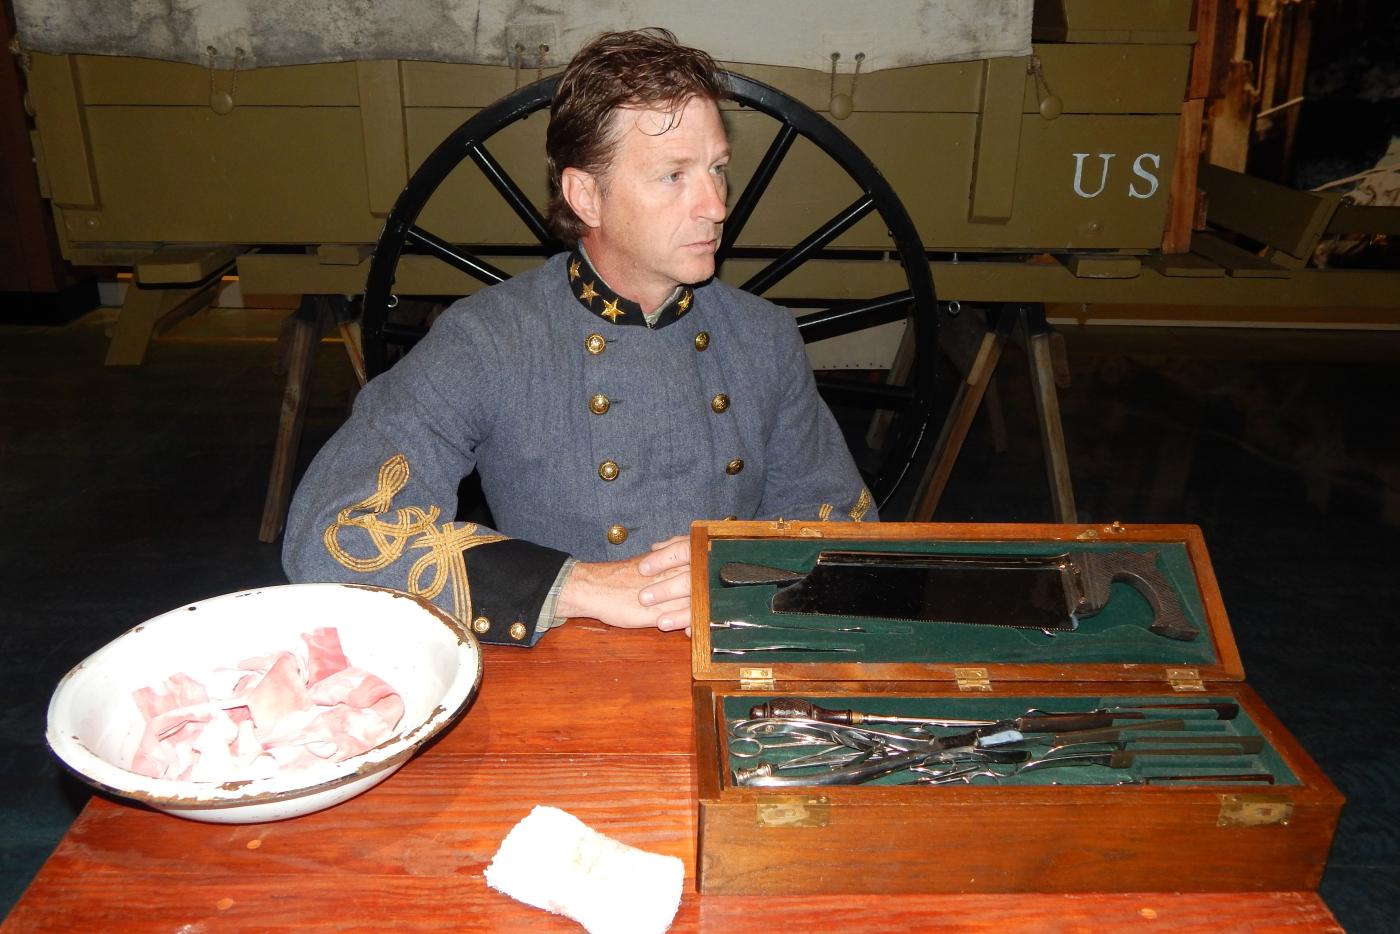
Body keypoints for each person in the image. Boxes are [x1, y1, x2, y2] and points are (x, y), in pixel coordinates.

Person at [283, 28, 875, 646]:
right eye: (674, 175)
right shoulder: (492, 341)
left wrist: (737, 570)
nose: (715, 205)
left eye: (717, 168)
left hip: (735, 647)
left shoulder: (763, 337)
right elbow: (335, 530)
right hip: (560, 655)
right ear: (586, 195)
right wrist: (580, 586)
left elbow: (844, 528)